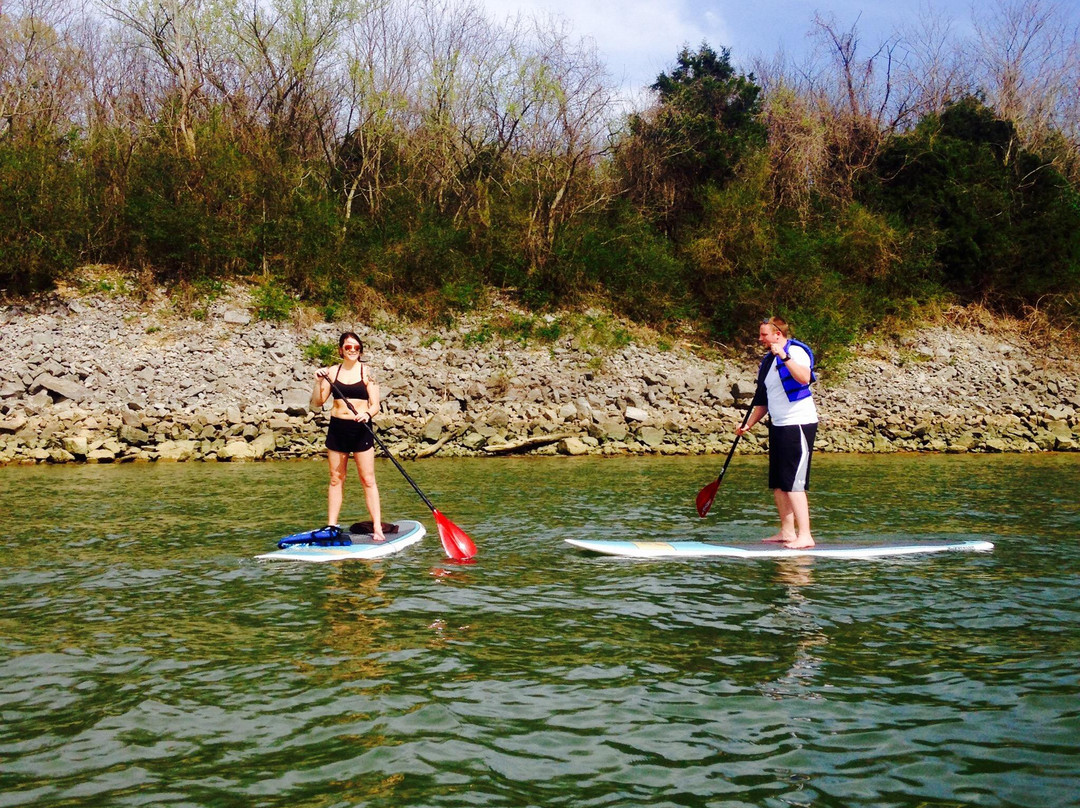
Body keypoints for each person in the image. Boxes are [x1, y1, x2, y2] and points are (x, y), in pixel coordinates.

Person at [735, 317, 818, 549]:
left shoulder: (796, 352)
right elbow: (763, 401)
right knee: (780, 483)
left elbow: (804, 378)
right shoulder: (768, 362)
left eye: (764, 335)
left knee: (794, 483)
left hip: (799, 424)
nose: (760, 339)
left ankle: (806, 535)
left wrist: (784, 355)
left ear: (778, 334)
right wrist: (748, 425)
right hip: (779, 425)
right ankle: (787, 532)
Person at [310, 332, 384, 541]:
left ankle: (377, 527)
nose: (352, 350)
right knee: (336, 479)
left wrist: (367, 414)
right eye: (348, 347)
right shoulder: (332, 372)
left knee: (367, 479)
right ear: (341, 350)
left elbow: (375, 405)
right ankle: (332, 526)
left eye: (356, 347)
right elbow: (317, 402)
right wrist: (317, 382)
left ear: (361, 350)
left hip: (361, 428)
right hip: (337, 428)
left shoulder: (368, 373)